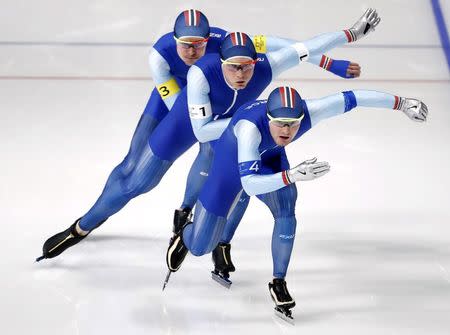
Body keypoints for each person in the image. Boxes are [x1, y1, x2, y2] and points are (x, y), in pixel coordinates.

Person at [37, 9, 379, 261]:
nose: (192, 52)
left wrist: (337, 53)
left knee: (232, 164)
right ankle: (81, 227)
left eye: (199, 45)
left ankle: (193, 220)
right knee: (137, 177)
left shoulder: (230, 46)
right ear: (175, 41)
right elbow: (183, 111)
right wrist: (223, 121)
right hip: (179, 105)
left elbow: (289, 47)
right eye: (186, 45)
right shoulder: (167, 57)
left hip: (219, 111)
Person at [166, 85, 428, 319]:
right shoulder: (249, 130)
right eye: (280, 123)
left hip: (268, 159)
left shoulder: (310, 112)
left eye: (293, 124)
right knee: (202, 244)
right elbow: (248, 183)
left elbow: (354, 97)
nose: (287, 131)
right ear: (268, 118)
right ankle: (188, 235)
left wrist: (403, 103)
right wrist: (291, 175)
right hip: (229, 169)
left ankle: (278, 281)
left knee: (286, 207)